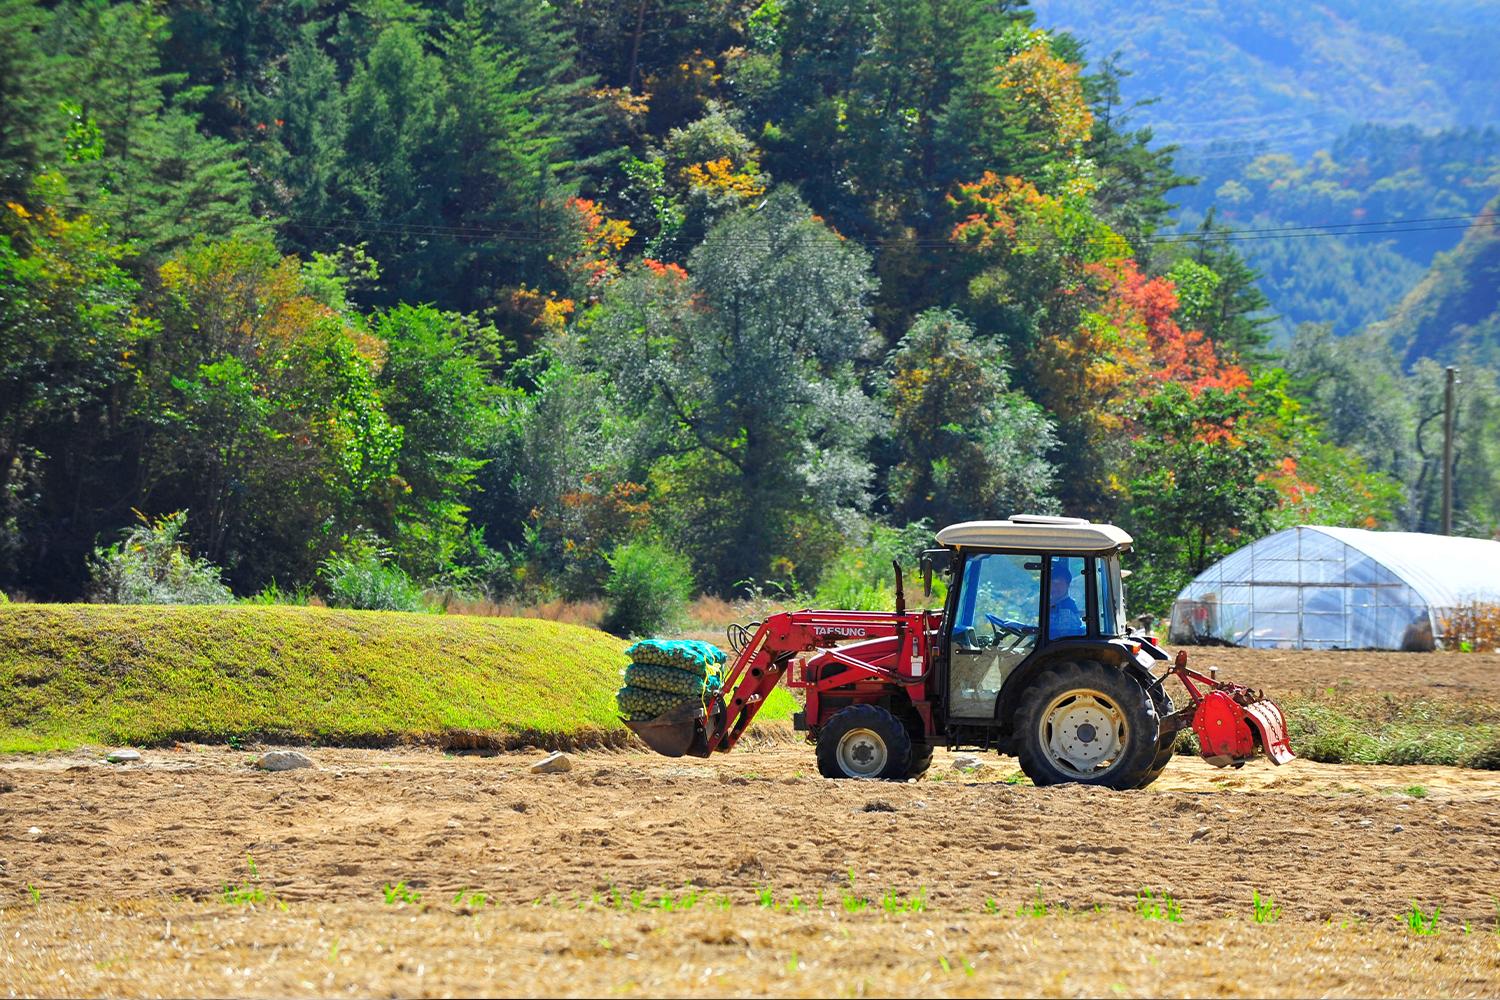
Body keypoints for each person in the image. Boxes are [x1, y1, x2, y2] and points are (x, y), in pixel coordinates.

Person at [1049, 559, 1084, 637]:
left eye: (1059, 584)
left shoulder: (1066, 607)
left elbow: (1064, 638)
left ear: (1068, 585)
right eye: (1052, 583)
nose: (1054, 587)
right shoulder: (1052, 603)